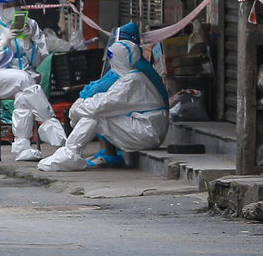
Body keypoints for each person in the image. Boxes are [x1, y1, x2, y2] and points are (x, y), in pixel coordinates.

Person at [35, 31, 171, 172]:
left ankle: (70, 153)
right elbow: (105, 98)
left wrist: (78, 108)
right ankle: (71, 152)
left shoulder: (132, 81)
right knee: (95, 115)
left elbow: (103, 105)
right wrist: (82, 107)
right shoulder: (132, 78)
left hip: (147, 133)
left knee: (97, 118)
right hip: (146, 129)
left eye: (112, 56)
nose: (110, 60)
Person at [0, 0, 68, 163]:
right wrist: (4, 41)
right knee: (25, 79)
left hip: (25, 77)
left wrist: (27, 42)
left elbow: (37, 61)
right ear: (0, 6)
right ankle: (50, 126)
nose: (13, 9)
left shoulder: (31, 25)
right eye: (8, 5)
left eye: (16, 4)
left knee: (24, 97)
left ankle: (22, 146)